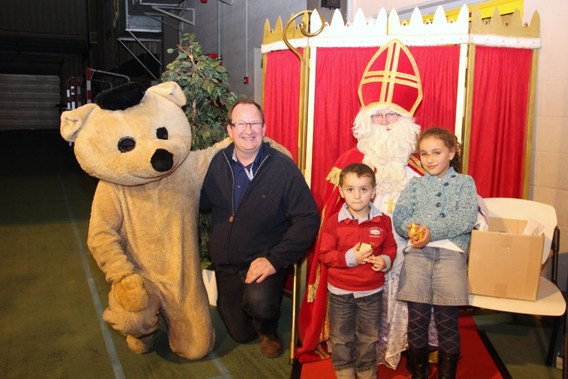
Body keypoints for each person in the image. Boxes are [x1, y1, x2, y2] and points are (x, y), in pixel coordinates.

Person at [297, 39, 438, 369]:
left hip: (406, 251)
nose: (387, 121)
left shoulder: (422, 163)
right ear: (366, 120)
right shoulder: (351, 161)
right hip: (357, 260)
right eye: (379, 115)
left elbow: (436, 204)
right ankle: (359, 354)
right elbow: (331, 215)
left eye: (394, 114)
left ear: (406, 120)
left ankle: (410, 345)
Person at [200, 98, 320, 358]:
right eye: (241, 123)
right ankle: (250, 315)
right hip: (227, 265)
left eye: (254, 123)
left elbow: (308, 218)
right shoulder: (217, 163)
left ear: (264, 128)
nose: (248, 130)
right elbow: (203, 203)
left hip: (263, 259)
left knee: (260, 303)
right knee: (240, 334)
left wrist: (274, 260)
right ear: (230, 130)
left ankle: (268, 330)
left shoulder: (282, 167)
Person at [393, 127, 478, 379]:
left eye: (437, 152)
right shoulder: (415, 185)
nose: (429, 159)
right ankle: (418, 373)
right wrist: (411, 229)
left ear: (451, 153)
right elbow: (400, 216)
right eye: (424, 153)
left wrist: (432, 231)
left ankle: (446, 374)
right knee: (417, 318)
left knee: (446, 320)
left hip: (451, 256)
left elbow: (466, 218)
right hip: (418, 256)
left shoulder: (465, 183)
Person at [319, 163, 397, 379]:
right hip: (340, 292)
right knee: (341, 336)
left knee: (369, 336)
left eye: (363, 189)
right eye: (350, 189)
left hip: (371, 291)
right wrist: (349, 258)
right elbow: (324, 254)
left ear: (373, 192)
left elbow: (391, 247)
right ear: (342, 192)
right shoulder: (334, 222)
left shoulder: (383, 221)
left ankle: (366, 371)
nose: (357, 196)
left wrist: (385, 260)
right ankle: (344, 371)